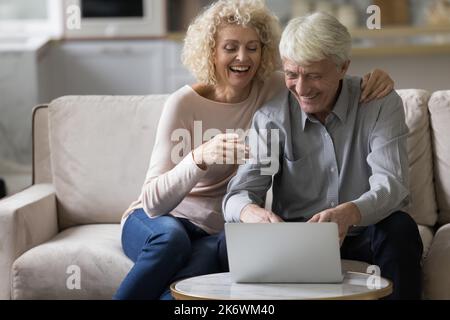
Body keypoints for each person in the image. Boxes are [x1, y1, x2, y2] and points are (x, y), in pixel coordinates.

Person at [114, 0, 395, 300]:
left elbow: (318, 72)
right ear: (211, 50)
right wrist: (199, 158)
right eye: (230, 47)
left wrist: (378, 76)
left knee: (193, 279)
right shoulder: (183, 104)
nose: (242, 57)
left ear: (264, 53)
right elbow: (153, 202)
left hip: (218, 230)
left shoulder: (277, 88)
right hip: (163, 219)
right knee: (173, 243)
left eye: (252, 47)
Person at [221, 12, 423, 300]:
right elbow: (238, 194)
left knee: (400, 227)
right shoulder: (272, 119)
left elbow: (392, 185)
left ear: (343, 67)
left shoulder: (378, 105)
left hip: (363, 231)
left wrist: (350, 213)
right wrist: (250, 212)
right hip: (298, 240)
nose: (302, 89)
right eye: (292, 75)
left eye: (314, 76)